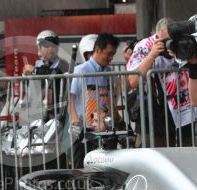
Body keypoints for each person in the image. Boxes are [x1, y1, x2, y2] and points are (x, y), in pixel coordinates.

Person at [127, 17, 194, 147]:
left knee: (187, 152)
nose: (169, 44)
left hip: (184, 109)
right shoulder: (144, 46)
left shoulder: (185, 43)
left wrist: (182, 54)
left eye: (172, 40)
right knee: (155, 155)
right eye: (165, 40)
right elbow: (133, 81)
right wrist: (152, 55)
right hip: (154, 111)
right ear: (156, 36)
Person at [70, 33, 119, 168]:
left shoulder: (109, 72)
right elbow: (70, 98)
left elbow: (111, 97)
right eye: (108, 53)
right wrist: (75, 123)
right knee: (81, 170)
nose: (111, 57)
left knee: (107, 169)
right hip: (83, 130)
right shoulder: (80, 71)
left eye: (113, 54)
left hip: (104, 128)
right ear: (97, 49)